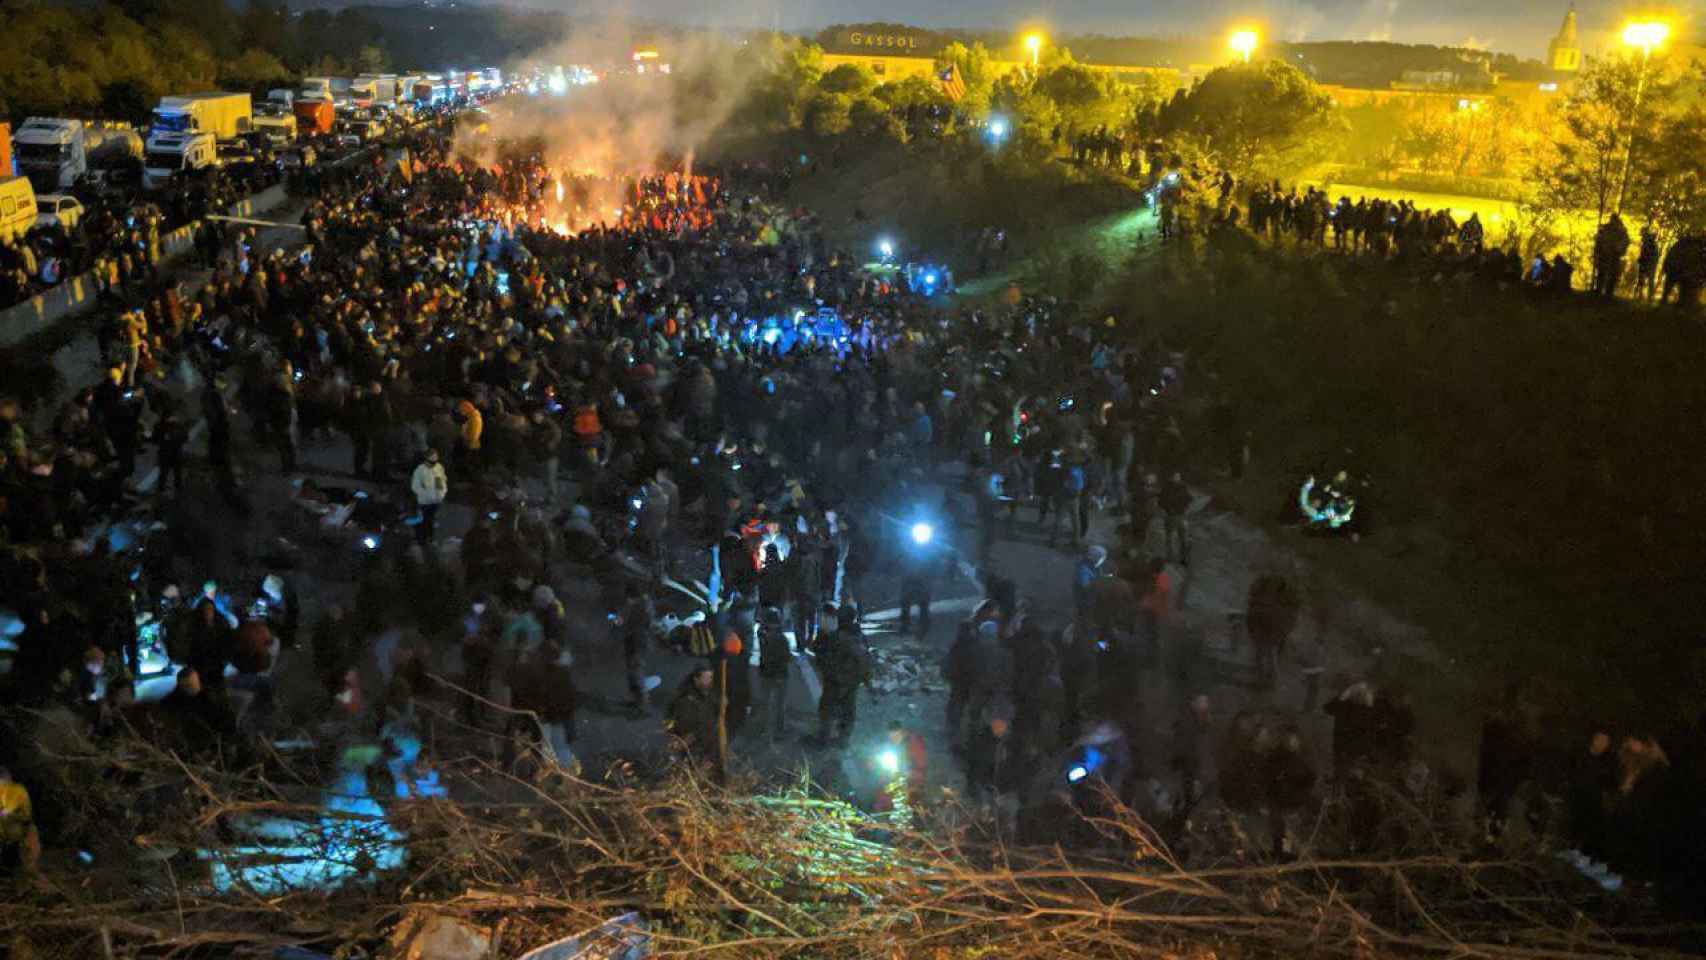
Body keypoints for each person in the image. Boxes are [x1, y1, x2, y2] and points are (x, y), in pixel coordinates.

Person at [665, 663, 720, 765]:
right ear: (696, 679)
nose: (710, 681)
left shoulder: (706, 690)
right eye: (706, 678)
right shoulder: (686, 700)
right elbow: (683, 723)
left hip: (702, 736)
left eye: (711, 677)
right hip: (691, 738)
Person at [756, 605, 793, 742]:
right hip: (780, 674)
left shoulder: (762, 633)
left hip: (766, 672)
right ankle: (779, 730)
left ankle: (765, 730)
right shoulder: (781, 638)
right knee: (779, 704)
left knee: (766, 702)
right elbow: (786, 657)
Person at [0, 767, 39, 877]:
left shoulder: (19, 791)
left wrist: (10, 815)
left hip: (15, 831)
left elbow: (26, 816)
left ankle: (15, 870)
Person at [410, 447, 448, 546]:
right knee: (424, 520)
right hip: (424, 501)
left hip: (435, 501)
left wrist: (440, 495)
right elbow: (416, 486)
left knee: (431, 520)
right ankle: (423, 539)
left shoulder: (438, 468)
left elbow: (441, 483)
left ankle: (429, 539)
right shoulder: (420, 470)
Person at [1158, 471, 1191, 567]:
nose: (1177, 478)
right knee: (1170, 539)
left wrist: (1185, 508)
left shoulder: (1183, 487)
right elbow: (1161, 501)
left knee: (1183, 538)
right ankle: (1170, 558)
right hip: (1171, 516)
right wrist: (1167, 509)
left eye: (1178, 476)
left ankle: (1183, 558)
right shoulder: (1166, 488)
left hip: (1181, 516)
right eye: (1175, 476)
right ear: (1171, 477)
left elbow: (1189, 499)